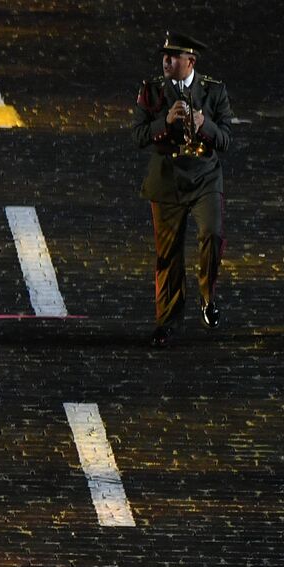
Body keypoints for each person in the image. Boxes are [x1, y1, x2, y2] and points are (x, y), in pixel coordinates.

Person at [131, 32, 233, 349]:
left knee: (212, 234)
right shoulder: (151, 90)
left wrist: (205, 124)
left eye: (173, 56)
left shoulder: (214, 91)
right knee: (168, 256)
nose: (166, 61)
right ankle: (167, 323)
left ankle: (208, 295)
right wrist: (164, 123)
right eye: (164, 55)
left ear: (190, 61)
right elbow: (138, 136)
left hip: (204, 178)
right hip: (167, 182)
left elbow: (227, 140)